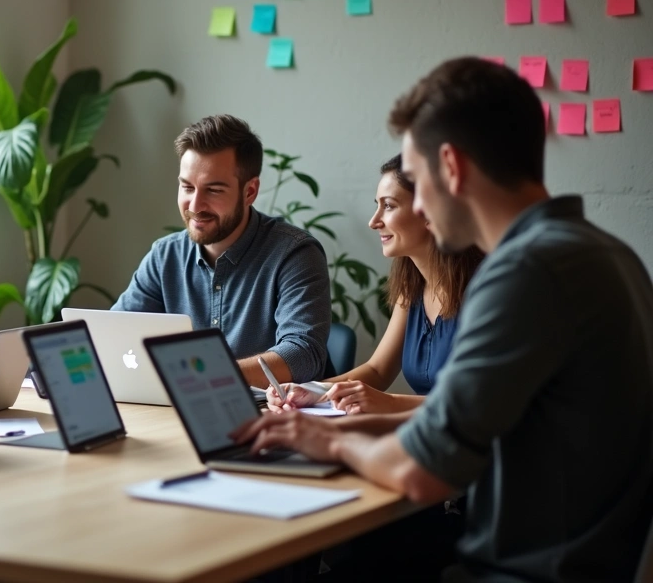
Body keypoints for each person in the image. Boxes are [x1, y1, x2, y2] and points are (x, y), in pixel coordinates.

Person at [234, 57, 653, 582]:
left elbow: (421, 471)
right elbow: (460, 423)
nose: (421, 208)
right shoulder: (606, 255)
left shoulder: (524, 273)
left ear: (451, 167)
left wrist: (329, 440)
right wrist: (319, 423)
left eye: (418, 180)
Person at [112, 114, 331, 387]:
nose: (195, 204)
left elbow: (303, 354)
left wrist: (203, 376)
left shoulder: (294, 254)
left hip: (274, 418)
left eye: (213, 190)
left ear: (250, 191)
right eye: (187, 187)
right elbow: (114, 334)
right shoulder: (164, 256)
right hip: (181, 411)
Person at [268, 156, 483, 415]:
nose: (374, 221)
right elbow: (378, 370)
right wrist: (312, 391)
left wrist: (389, 402)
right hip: (425, 437)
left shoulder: (485, 290)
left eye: (389, 206)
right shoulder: (412, 286)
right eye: (377, 206)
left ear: (430, 210)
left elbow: (480, 402)